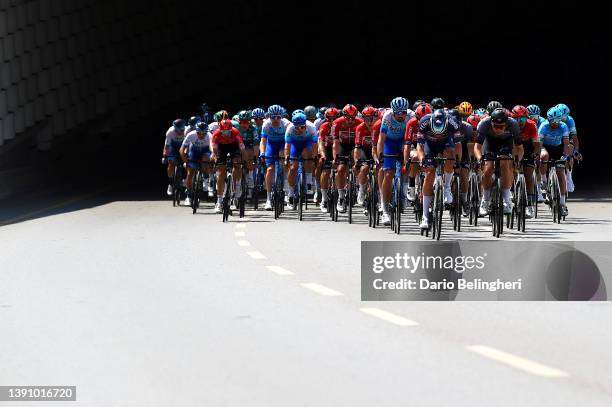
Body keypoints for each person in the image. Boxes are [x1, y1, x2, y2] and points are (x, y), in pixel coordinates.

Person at [415, 109, 460, 229]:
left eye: (440, 133)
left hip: (446, 143)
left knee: (451, 156)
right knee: (429, 173)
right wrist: (422, 160)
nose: (438, 136)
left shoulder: (452, 123)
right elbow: (419, 146)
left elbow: (458, 145)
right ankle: (425, 216)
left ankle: (446, 188)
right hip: (429, 145)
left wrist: (457, 161)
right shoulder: (424, 122)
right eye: (436, 133)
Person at [474, 108, 523, 216]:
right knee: (488, 168)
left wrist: (517, 160)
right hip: (489, 142)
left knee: (506, 164)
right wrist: (479, 159)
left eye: (501, 127)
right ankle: (485, 200)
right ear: (491, 122)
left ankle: (506, 199)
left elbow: (520, 148)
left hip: (506, 143)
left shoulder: (513, 125)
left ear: (506, 124)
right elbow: (477, 146)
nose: (498, 129)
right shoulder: (484, 124)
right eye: (495, 126)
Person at [375, 97, 413, 226]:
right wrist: (380, 155)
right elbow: (381, 139)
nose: (401, 115)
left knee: (408, 163)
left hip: (404, 141)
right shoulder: (387, 117)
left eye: (403, 112)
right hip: (389, 143)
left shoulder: (411, 115)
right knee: (388, 173)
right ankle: (385, 209)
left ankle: (405, 189)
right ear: (393, 111)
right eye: (398, 113)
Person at [538, 106, 572, 216]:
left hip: (558, 149)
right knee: (544, 156)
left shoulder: (563, 126)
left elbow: (566, 144)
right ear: (548, 119)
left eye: (558, 120)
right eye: (553, 120)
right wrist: (539, 155)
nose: (555, 123)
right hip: (546, 148)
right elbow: (539, 145)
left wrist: (566, 156)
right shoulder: (543, 126)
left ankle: (562, 203)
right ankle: (544, 181)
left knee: (561, 173)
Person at [331, 104, 363, 213]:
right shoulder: (336, 123)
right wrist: (335, 158)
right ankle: (340, 197)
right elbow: (335, 143)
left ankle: (360, 187)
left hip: (356, 146)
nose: (350, 120)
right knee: (340, 170)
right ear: (343, 116)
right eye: (348, 118)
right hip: (342, 146)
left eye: (352, 118)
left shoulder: (360, 122)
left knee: (359, 165)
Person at [511, 105, 541, 218]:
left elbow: (537, 145)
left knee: (528, 173)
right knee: (512, 169)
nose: (520, 122)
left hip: (528, 148)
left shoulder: (531, 125)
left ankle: (528, 204)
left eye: (523, 119)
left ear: (526, 118)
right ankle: (511, 192)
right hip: (514, 147)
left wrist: (536, 154)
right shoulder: (510, 125)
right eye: (517, 119)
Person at [210, 119, 246, 213]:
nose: (226, 134)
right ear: (220, 130)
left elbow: (242, 148)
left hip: (234, 146)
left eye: (228, 131)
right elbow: (214, 149)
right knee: (221, 172)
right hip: (222, 148)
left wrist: (243, 160)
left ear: (231, 129)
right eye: (223, 132)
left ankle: (237, 187)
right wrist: (216, 159)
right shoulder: (216, 134)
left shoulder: (235, 132)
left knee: (237, 164)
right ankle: (219, 201)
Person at [260, 105, 291, 210]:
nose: (276, 120)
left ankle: (287, 194)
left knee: (286, 164)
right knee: (269, 169)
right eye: (273, 117)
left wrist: (286, 155)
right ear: (269, 117)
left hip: (283, 144)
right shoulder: (266, 124)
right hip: (271, 145)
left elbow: (289, 142)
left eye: (278, 117)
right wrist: (262, 152)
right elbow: (263, 141)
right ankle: (268, 199)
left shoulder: (286, 124)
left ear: (281, 116)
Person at [284, 113, 317, 209]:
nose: (299, 130)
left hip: (307, 144)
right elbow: (287, 146)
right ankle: (290, 192)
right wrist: (286, 157)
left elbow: (315, 145)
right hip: (294, 145)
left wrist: (314, 157)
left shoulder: (312, 127)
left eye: (302, 127)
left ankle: (309, 180)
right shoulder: (290, 128)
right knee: (293, 167)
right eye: (297, 128)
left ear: (305, 124)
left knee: (308, 155)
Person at [403, 103, 432, 202]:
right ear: (416, 117)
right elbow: (407, 144)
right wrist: (406, 162)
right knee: (415, 157)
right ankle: (411, 185)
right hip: (414, 145)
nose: (424, 122)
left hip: (426, 144)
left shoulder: (433, 123)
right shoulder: (411, 123)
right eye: (421, 119)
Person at [180, 121, 212, 206]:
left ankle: (206, 179)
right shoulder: (191, 134)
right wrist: (185, 161)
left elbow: (213, 149)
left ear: (206, 132)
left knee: (206, 160)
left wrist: (212, 158)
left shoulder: (209, 136)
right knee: (190, 174)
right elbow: (182, 150)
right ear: (196, 131)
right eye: (199, 133)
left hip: (205, 151)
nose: (201, 135)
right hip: (194, 152)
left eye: (203, 133)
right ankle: (189, 196)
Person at [354, 106, 380, 206]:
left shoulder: (379, 127)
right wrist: (356, 160)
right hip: (365, 150)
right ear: (363, 119)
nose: (369, 122)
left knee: (379, 169)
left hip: (377, 149)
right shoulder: (360, 128)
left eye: (371, 119)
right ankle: (361, 189)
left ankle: (378, 191)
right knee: (364, 168)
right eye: (366, 119)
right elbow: (357, 147)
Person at [317, 107, 341, 212]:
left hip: (338, 148)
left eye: (334, 118)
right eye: (329, 118)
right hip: (326, 148)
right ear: (326, 118)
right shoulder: (323, 126)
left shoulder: (340, 125)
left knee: (341, 168)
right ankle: (324, 198)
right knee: (325, 171)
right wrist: (322, 155)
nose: (332, 120)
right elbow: (321, 143)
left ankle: (342, 194)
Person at [162, 119, 186, 196]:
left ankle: (185, 179)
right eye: (177, 130)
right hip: (173, 147)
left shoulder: (187, 130)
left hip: (184, 147)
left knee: (188, 162)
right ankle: (171, 184)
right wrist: (165, 156)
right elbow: (167, 146)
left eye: (182, 130)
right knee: (171, 163)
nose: (180, 132)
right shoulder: (170, 132)